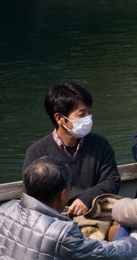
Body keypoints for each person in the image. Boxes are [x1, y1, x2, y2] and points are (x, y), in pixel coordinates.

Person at [0, 157, 137, 260]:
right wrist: (131, 240)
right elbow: (109, 257)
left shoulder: (5, 209)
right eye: (70, 188)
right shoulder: (61, 233)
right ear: (62, 194)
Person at [23, 83, 119, 217]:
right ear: (59, 118)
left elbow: (112, 180)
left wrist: (87, 198)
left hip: (95, 213)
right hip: (55, 219)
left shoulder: (100, 144)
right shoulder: (37, 152)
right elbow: (32, 198)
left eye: (89, 112)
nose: (88, 118)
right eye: (81, 114)